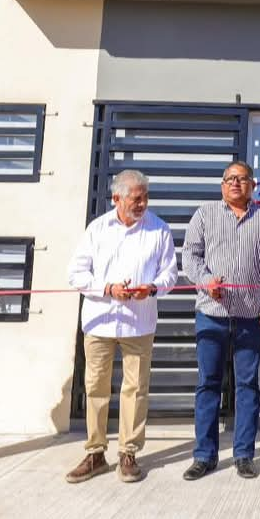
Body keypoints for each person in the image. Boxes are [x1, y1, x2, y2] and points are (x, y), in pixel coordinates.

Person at [65, 169, 177, 484]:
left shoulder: (159, 229)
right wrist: (107, 288)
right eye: (135, 198)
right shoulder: (97, 229)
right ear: (117, 198)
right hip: (99, 321)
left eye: (145, 198)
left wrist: (151, 288)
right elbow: (75, 274)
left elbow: (170, 275)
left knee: (136, 390)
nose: (142, 204)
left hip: (139, 323)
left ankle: (128, 453)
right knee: (96, 388)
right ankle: (95, 452)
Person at [181, 160, 260, 480]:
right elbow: (190, 255)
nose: (236, 184)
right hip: (211, 315)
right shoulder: (205, 214)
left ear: (253, 185)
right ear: (222, 185)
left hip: (250, 318)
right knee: (208, 385)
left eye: (242, 179)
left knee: (246, 387)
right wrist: (206, 280)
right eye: (230, 179)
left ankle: (244, 454)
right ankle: (204, 455)